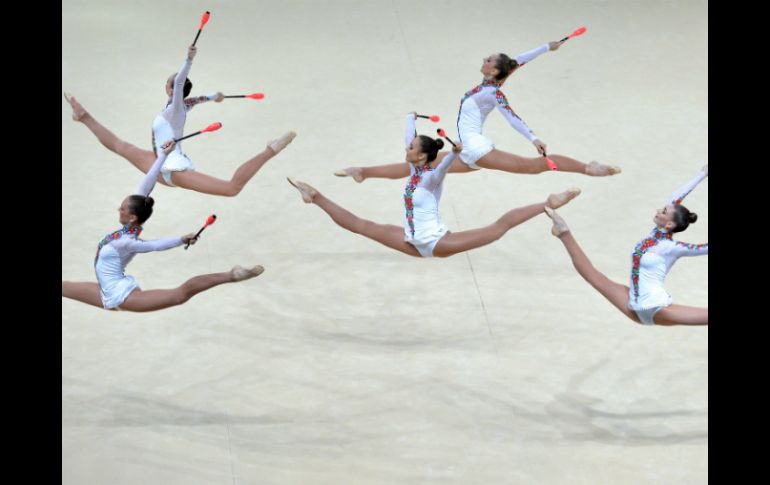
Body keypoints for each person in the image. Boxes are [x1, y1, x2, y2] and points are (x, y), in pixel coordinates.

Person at [289, 113, 581, 258]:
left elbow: (441, 166)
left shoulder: (431, 175)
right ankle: (313, 195)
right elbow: (410, 137)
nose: (407, 148)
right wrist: (410, 117)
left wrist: (453, 154)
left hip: (435, 242)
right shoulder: (415, 166)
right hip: (409, 238)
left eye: (411, 147)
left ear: (421, 156)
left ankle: (548, 203)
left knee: (497, 228)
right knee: (359, 224)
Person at [335, 40, 619, 183]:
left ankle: (586, 167)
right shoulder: (489, 83)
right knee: (417, 167)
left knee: (532, 167)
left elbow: (511, 116)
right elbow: (515, 62)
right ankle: (363, 171)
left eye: (488, 60)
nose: (483, 60)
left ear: (494, 70)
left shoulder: (493, 92)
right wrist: (546, 47)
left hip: (478, 149)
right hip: (466, 152)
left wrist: (533, 138)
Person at [64, 45, 296, 196]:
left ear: (170, 88)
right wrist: (213, 97)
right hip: (157, 160)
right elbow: (193, 100)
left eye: (170, 82)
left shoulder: (176, 106)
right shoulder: (180, 107)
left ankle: (271, 149)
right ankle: (83, 116)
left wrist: (189, 60)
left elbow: (179, 85)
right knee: (120, 146)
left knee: (231, 188)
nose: (170, 84)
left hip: (171, 168)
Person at [62, 140, 264, 312]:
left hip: (122, 298)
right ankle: (232, 274)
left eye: (122, 209)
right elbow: (146, 184)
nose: (119, 209)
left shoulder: (126, 241)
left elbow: (154, 246)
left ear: (132, 217)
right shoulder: (129, 227)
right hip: (105, 291)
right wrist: (163, 155)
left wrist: (180, 240)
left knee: (180, 294)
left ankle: (232, 275)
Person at [543, 165, 708, 325]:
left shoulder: (673, 248)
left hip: (656, 307)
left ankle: (563, 233)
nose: (658, 210)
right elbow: (675, 198)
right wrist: (702, 175)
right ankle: (563, 232)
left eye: (663, 212)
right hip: (632, 304)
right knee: (593, 277)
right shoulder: (655, 232)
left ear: (670, 225)